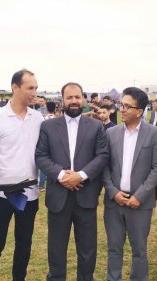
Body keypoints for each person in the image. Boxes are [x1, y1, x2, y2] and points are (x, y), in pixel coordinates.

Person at [35, 82, 109, 281]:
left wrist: (81, 175)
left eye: (77, 97)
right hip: (58, 197)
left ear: (83, 99)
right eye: (69, 97)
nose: (74, 101)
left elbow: (102, 156)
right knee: (56, 247)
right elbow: (41, 156)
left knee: (87, 248)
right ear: (62, 100)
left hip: (86, 195)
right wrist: (62, 176)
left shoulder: (96, 126)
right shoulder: (48, 126)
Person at [0, 69, 44, 281]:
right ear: (15, 88)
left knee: (24, 243)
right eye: (30, 88)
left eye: (36, 87)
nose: (34, 92)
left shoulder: (39, 118)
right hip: (2, 195)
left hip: (30, 195)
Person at [102, 87, 157, 280]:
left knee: (139, 250)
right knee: (114, 248)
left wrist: (140, 195)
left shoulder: (154, 134)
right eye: (121, 104)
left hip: (140, 204)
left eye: (127, 106)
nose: (122, 109)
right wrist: (113, 192)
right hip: (114, 203)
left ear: (139, 111)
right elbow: (104, 166)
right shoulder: (111, 133)